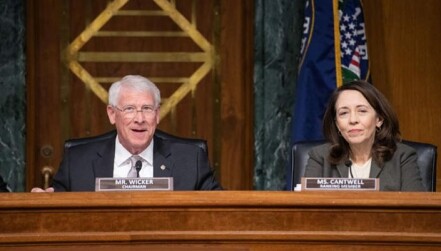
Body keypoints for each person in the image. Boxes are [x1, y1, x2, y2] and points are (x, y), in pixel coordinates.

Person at [32, 75, 222, 192]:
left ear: (157, 115)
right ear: (112, 114)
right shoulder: (79, 161)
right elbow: (55, 208)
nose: (139, 119)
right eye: (129, 109)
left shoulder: (190, 160)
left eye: (147, 109)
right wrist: (44, 202)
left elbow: (222, 208)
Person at [303, 80, 425, 191]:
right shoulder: (320, 156)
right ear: (337, 124)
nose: (353, 120)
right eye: (344, 113)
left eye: (362, 111)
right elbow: (305, 209)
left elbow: (416, 211)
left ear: (379, 119)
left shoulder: (402, 157)